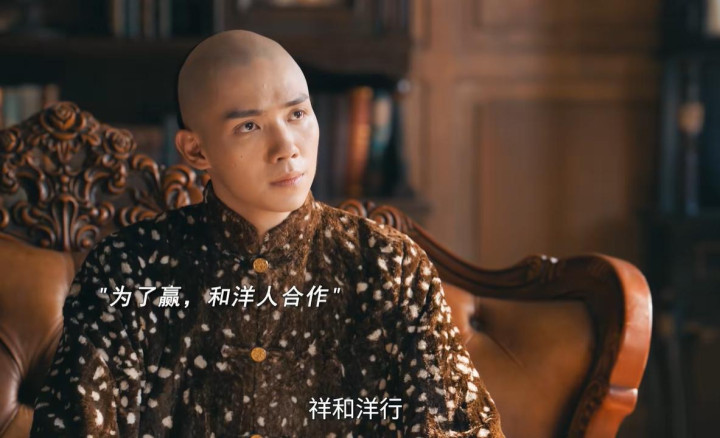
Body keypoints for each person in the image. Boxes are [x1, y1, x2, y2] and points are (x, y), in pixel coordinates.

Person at [30, 30, 505, 437]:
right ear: (195, 151)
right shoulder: (128, 271)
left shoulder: (390, 268)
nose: (286, 148)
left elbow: (455, 425)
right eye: (249, 125)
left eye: (297, 114)